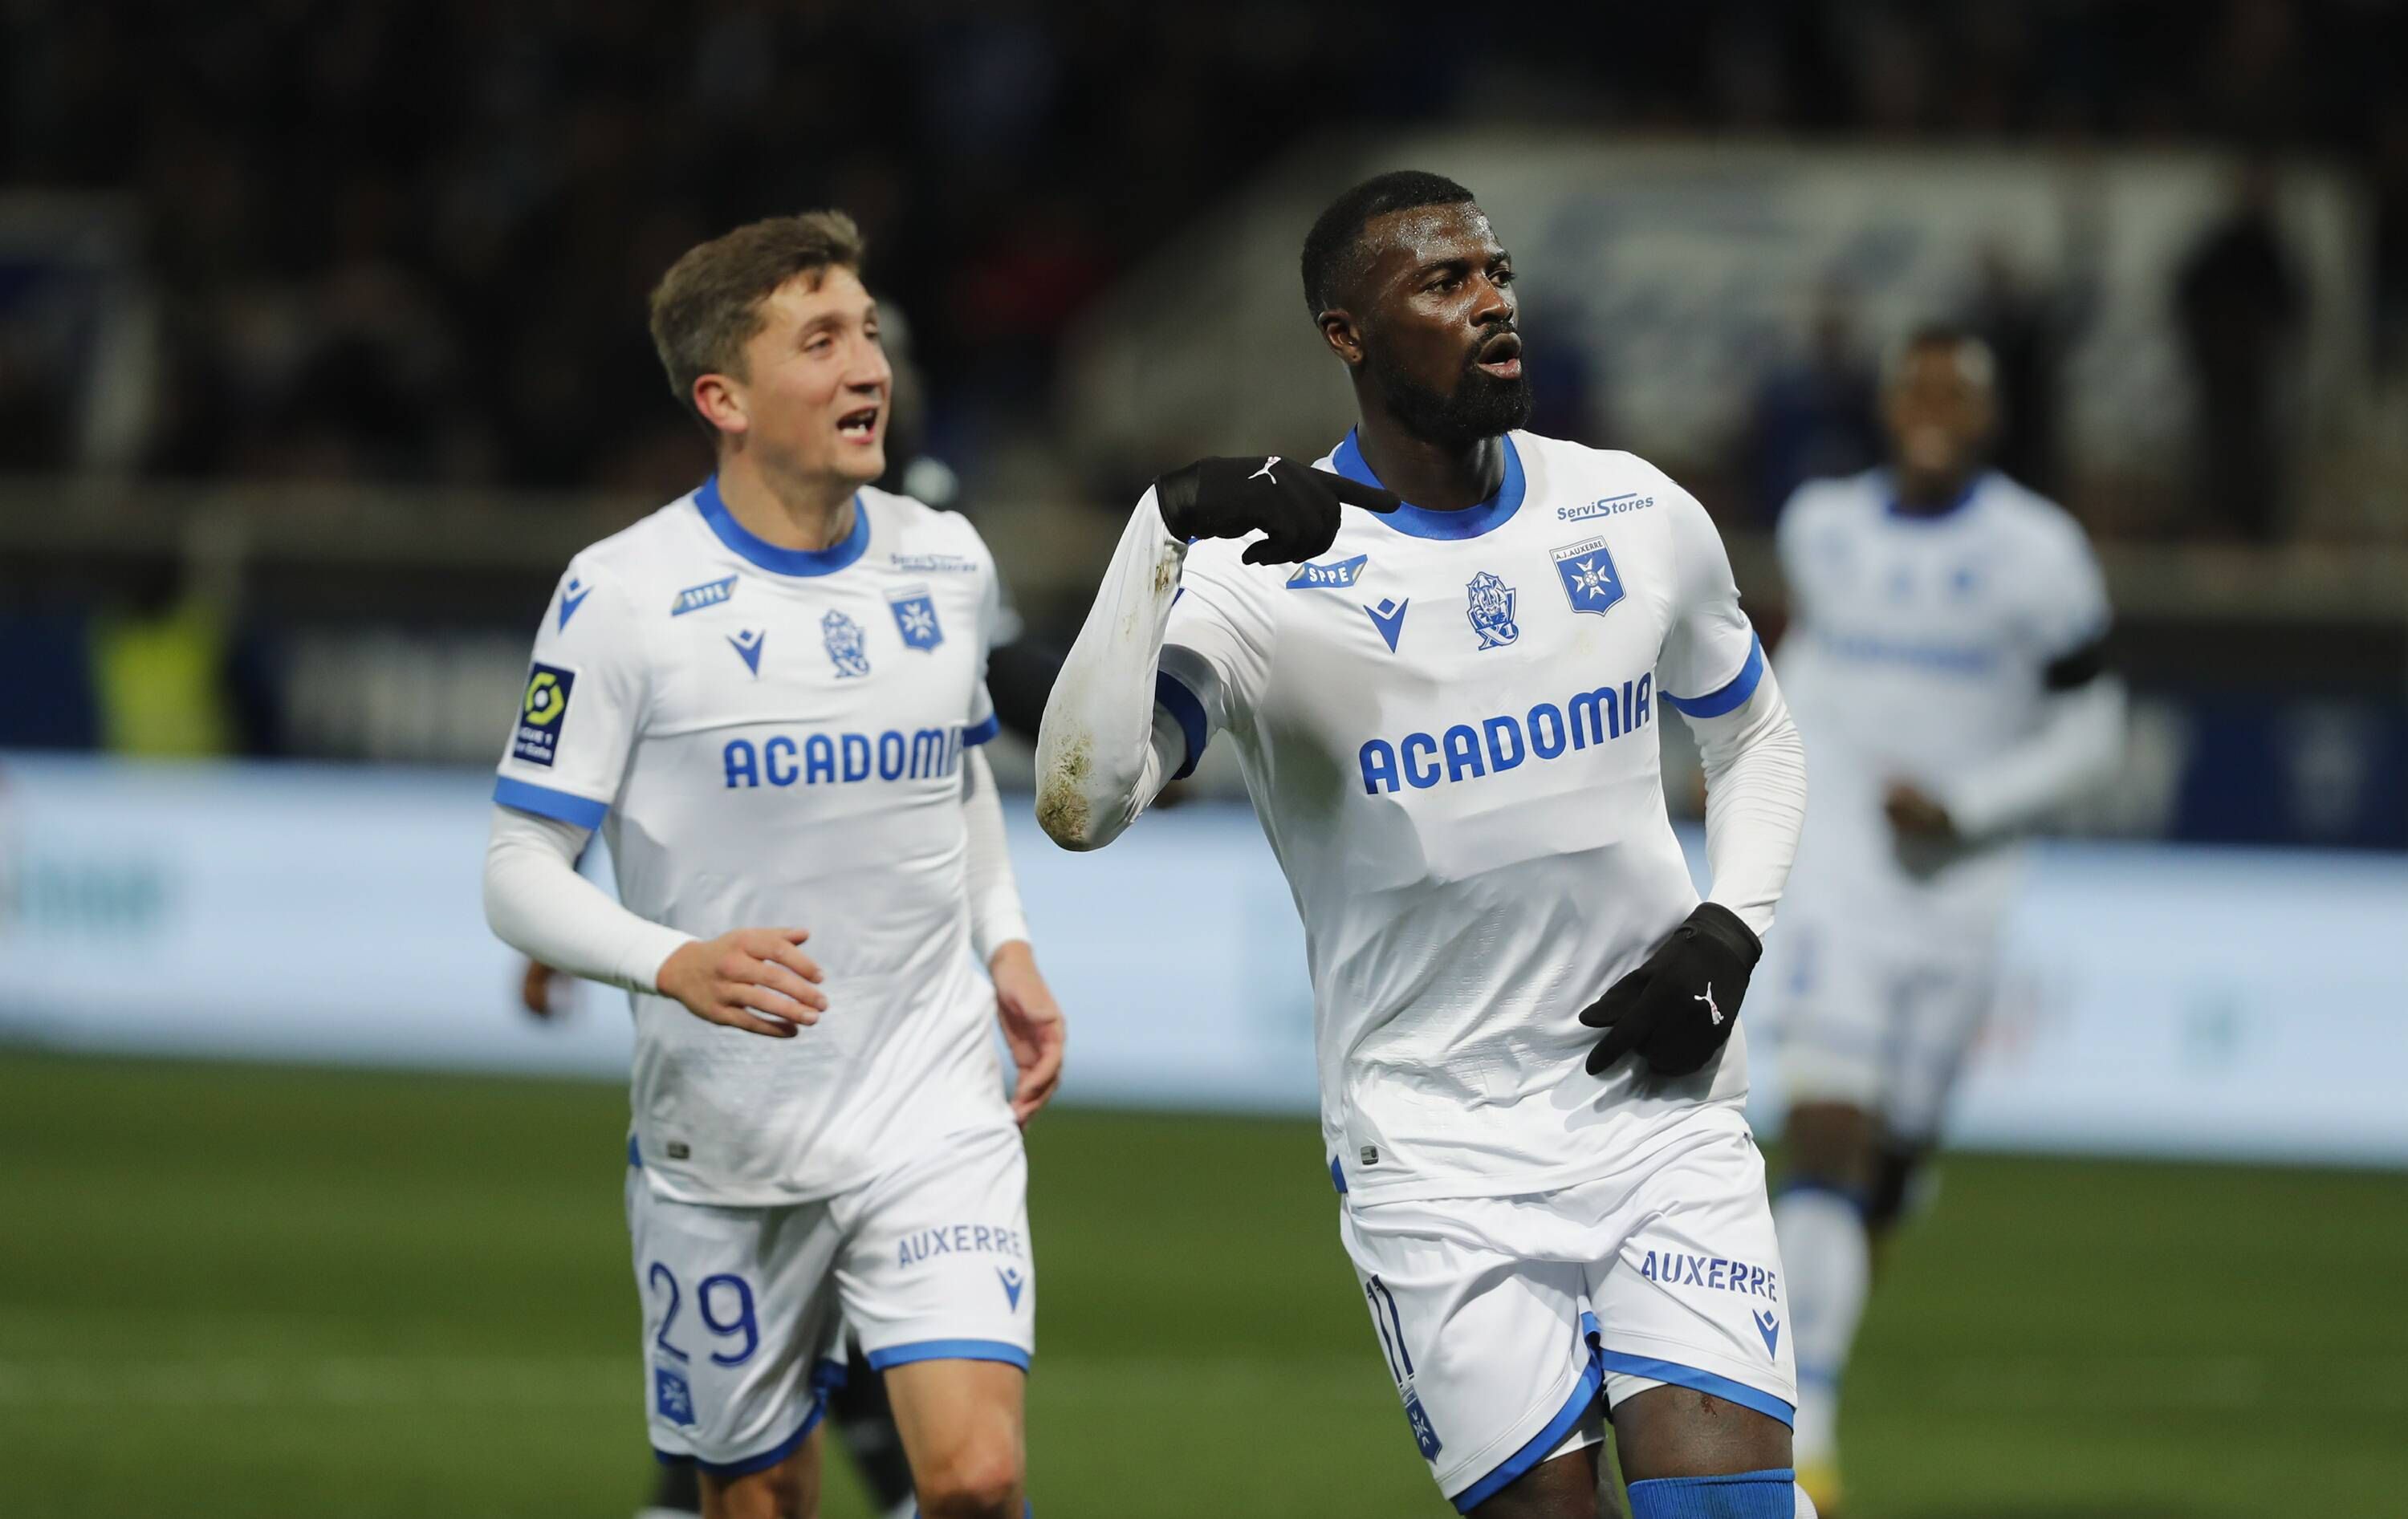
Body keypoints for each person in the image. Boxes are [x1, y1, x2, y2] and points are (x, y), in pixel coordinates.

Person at [1038, 171, 1812, 1519]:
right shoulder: (1257, 579)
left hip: (1655, 1114)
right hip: (1432, 1151)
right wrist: (1158, 533)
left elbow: (1757, 740)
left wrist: (1729, 929)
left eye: (1496, 272)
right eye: (1444, 284)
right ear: (1348, 334)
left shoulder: (1631, 513)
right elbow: (1083, 804)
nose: (1492, 301)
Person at [482, 210, 1064, 1519]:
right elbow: (518, 864)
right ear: (723, 398)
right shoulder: (620, 594)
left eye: (868, 331)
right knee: (762, 1501)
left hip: (931, 1104)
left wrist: (1007, 941)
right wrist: (669, 961)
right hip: (726, 1134)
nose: (868, 366)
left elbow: (958, 769)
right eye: (821, 340)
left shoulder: (946, 560)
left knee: (976, 1478)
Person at [1761, 326, 2124, 1516]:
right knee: (1825, 1127)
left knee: (1890, 1171)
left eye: (1954, 390)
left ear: (1989, 416)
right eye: (1912, 384)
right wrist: (1751, 755)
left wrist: (1967, 805)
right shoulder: (1824, 526)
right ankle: (1799, 1433)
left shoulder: (2039, 554)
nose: (1929, 406)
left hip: (1963, 897)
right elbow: (1812, 660)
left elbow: (2093, 734)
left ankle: (1804, 1360)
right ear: (1886, 400)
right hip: (1837, 883)